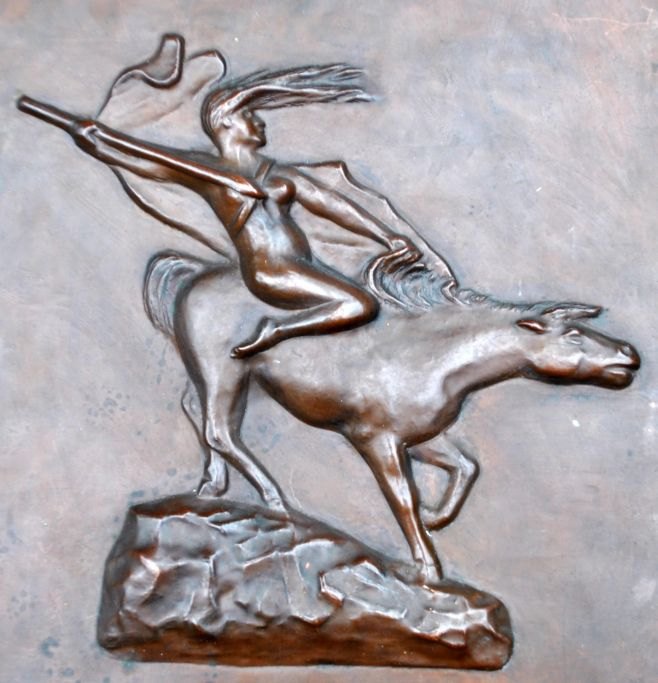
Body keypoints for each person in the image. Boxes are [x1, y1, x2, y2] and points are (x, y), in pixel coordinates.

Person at [71, 63, 457, 357]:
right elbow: (146, 163)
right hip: (271, 272)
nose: (258, 122)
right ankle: (277, 332)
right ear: (227, 124)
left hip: (301, 265)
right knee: (360, 305)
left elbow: (331, 204)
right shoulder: (206, 172)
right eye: (249, 116)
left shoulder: (278, 173)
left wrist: (387, 236)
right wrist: (97, 144)